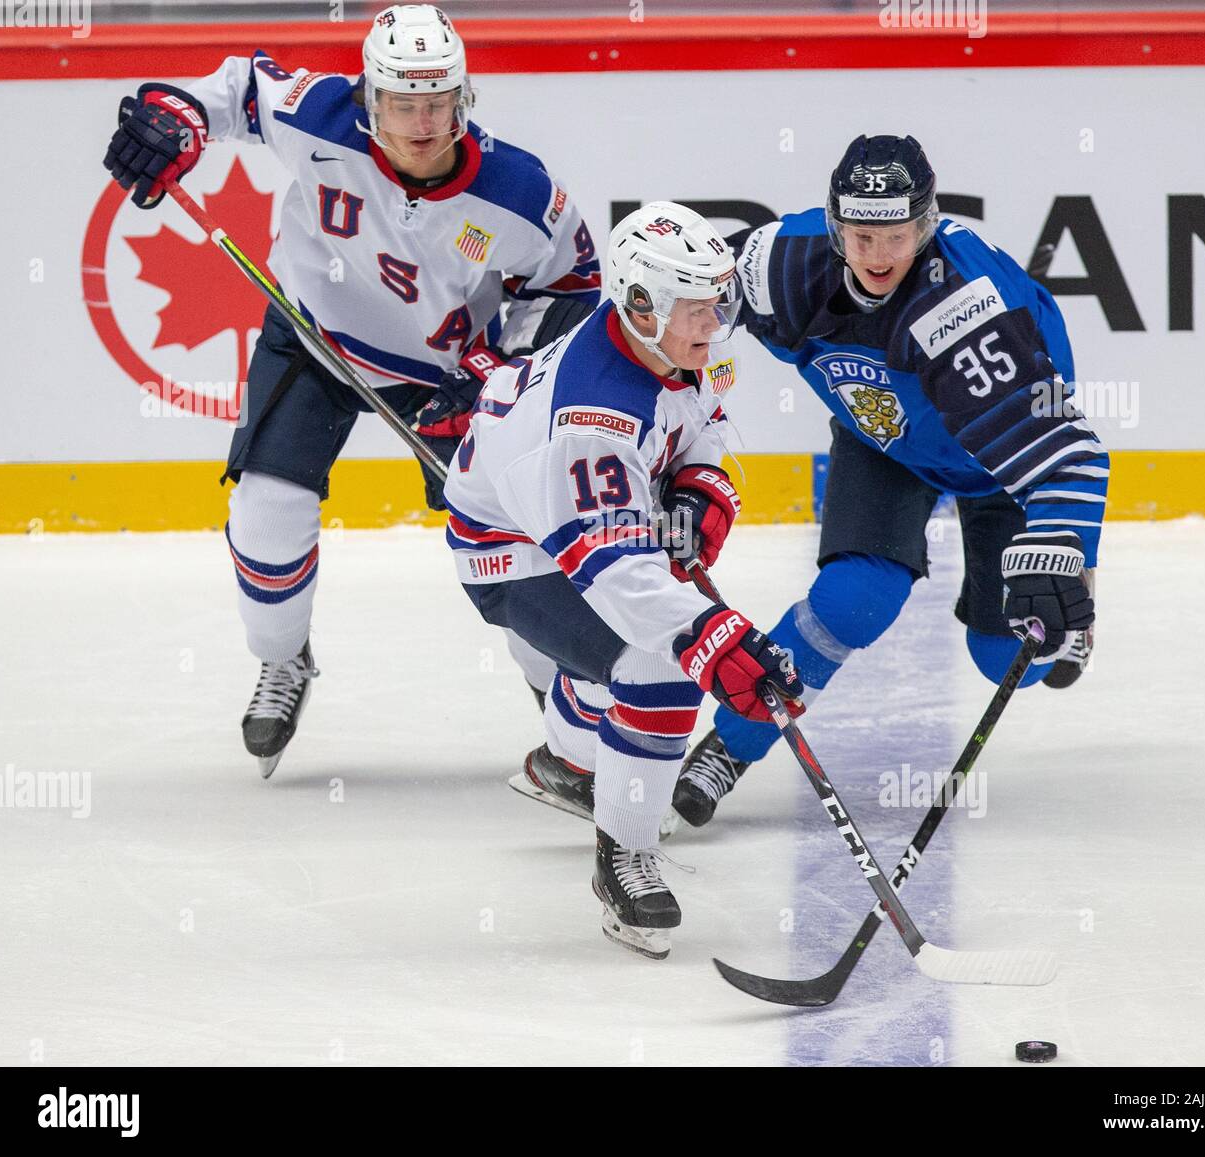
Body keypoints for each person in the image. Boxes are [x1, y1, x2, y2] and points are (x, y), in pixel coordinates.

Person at [102, 4, 600, 776]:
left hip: (445, 379)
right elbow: (235, 89)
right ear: (371, 98)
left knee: (513, 551)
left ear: (464, 99)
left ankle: (570, 711)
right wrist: (180, 119)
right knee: (266, 512)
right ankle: (283, 658)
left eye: (439, 101)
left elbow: (571, 282)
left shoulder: (520, 193)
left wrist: (500, 378)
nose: (423, 121)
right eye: (404, 101)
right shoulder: (323, 116)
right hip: (312, 341)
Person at [671, 135, 1106, 829]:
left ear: (927, 226)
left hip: (996, 456)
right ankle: (732, 741)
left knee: (1007, 655)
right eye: (861, 235)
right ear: (835, 223)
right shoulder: (778, 265)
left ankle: (1065, 625)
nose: (877, 256)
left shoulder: (968, 314)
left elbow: (1072, 457)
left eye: (896, 237)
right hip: (888, 440)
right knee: (852, 600)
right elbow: (670, 314)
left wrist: (1063, 552)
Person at [441, 202, 804, 959]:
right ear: (641, 302)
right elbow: (617, 571)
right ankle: (623, 858)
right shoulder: (591, 418)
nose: (713, 324)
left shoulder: (666, 343)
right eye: (695, 308)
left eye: (718, 303)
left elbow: (700, 424)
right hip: (517, 550)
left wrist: (700, 495)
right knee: (662, 663)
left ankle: (567, 756)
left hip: (575, 513)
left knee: (644, 658)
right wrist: (710, 639)